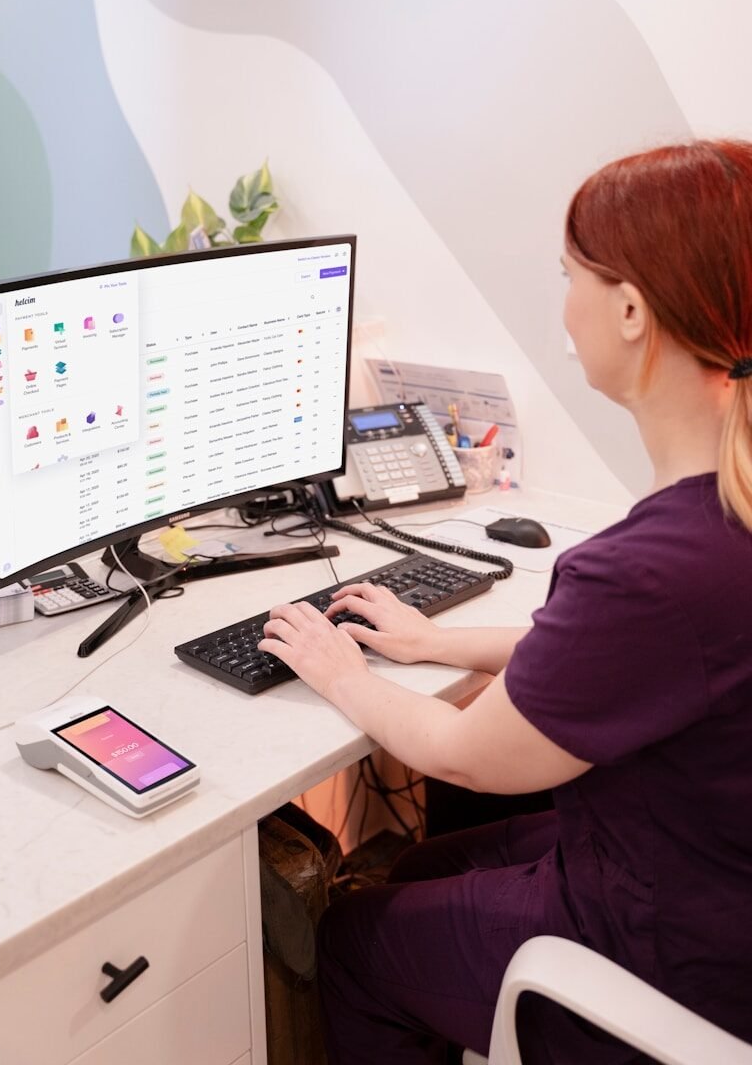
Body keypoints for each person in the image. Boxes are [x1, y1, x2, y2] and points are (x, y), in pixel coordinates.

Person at [258, 140, 752, 1063]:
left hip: (678, 961)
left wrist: (340, 671)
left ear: (632, 311)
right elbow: (647, 656)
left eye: (570, 276)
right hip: (711, 882)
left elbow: (464, 755)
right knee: (419, 864)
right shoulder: (717, 521)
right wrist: (435, 642)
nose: (563, 302)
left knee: (353, 943)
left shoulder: (652, 568)